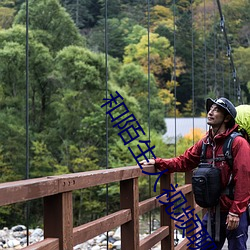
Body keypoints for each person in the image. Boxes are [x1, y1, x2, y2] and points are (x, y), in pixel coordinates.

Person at [140, 97, 250, 250]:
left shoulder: (238, 143)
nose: (210, 112)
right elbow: (184, 161)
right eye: (210, 109)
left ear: (227, 118)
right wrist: (158, 162)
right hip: (213, 210)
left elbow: (244, 179)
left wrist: (236, 212)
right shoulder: (205, 143)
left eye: (216, 110)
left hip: (233, 211)